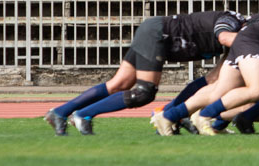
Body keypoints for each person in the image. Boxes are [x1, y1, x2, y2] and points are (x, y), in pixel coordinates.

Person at [44, 9, 244, 136]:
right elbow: (224, 36)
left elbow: (213, 79)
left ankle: (59, 112)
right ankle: (83, 114)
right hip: (159, 33)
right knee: (144, 92)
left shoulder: (242, 37)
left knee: (119, 83)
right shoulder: (234, 22)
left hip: (154, 30)